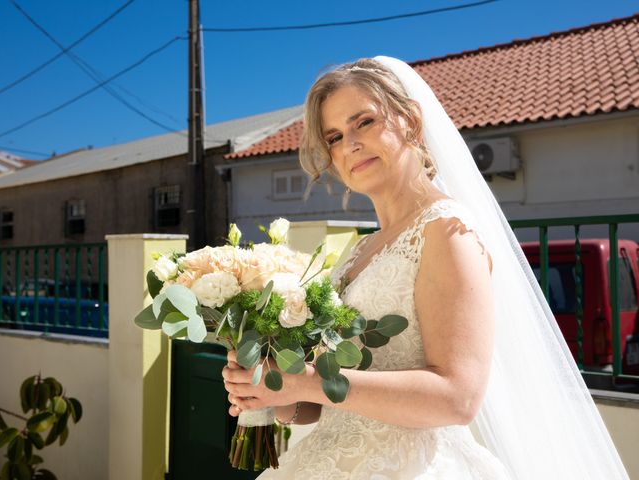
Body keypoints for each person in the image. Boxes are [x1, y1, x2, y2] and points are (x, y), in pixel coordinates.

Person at [222, 57, 629, 479]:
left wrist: (305, 382)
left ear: (411, 121)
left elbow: (458, 397)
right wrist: (274, 391)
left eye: (364, 122)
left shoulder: (447, 231)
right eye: (335, 136)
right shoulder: (359, 251)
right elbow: (324, 402)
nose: (350, 145)